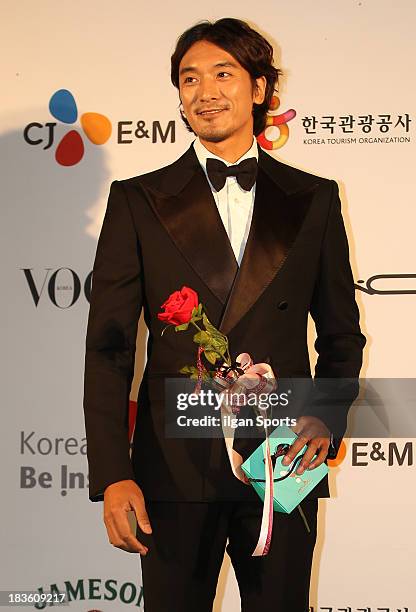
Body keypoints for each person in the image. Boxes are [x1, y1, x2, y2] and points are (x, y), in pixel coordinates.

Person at [83, 17, 366, 612]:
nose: (205, 92)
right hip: (173, 466)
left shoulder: (314, 199)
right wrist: (113, 473)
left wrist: (324, 418)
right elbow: (109, 349)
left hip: (281, 458)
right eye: (189, 79)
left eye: (222, 74)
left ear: (260, 89)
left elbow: (341, 333)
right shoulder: (137, 200)